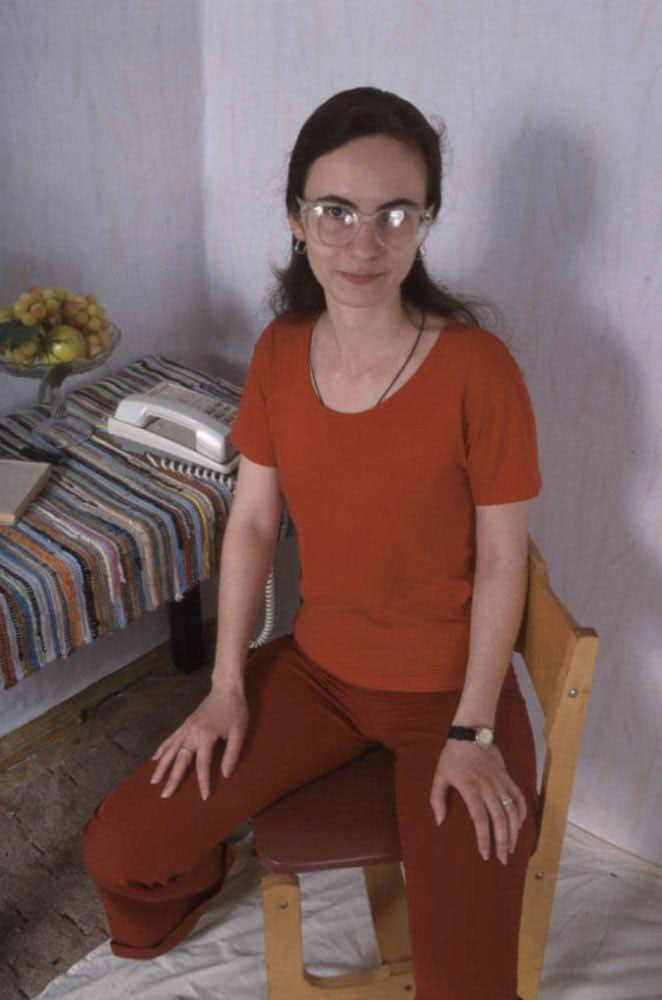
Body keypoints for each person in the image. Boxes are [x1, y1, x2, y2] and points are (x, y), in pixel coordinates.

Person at [82, 87, 542, 1000]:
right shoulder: (280, 352)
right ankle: (215, 866)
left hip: (453, 698)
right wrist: (225, 687)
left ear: (426, 223)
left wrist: (473, 730)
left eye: (394, 214)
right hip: (318, 678)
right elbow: (253, 522)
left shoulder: (477, 369)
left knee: (468, 987)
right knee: (121, 855)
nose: (363, 243)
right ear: (298, 219)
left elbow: (502, 560)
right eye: (336, 211)